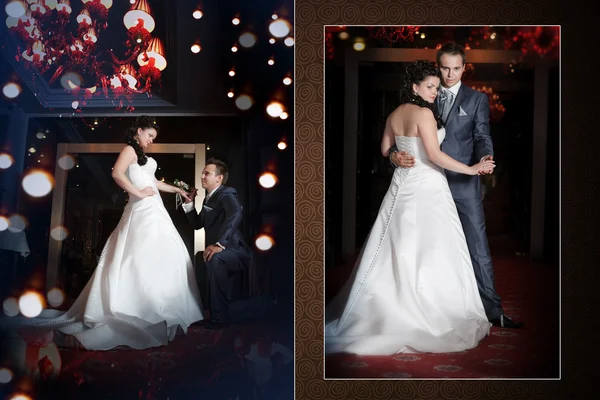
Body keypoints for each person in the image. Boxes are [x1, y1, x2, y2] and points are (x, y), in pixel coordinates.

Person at [325, 60, 496, 355]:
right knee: (433, 249)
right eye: (430, 87)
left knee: (397, 246)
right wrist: (471, 170)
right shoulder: (424, 114)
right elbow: (434, 156)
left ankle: (391, 305)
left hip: (402, 186)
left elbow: (384, 150)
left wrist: (394, 158)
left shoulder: (394, 114)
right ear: (414, 88)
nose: (434, 91)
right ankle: (423, 310)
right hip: (428, 186)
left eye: (436, 87)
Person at [0, 116, 205, 350]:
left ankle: (154, 307)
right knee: (139, 252)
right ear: (138, 131)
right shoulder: (129, 149)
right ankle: (134, 307)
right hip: (142, 206)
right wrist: (138, 193)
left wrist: (179, 190)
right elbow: (117, 174)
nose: (150, 141)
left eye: (153, 138)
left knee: (159, 252)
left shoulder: (142, 157)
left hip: (154, 206)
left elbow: (155, 182)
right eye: (149, 136)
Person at [389, 43, 523, 329]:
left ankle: (493, 310)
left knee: (478, 247)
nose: (449, 74)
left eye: (456, 68)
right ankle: (432, 309)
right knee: (427, 247)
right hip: (425, 183)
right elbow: (399, 135)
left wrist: (486, 156)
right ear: (438, 67)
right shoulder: (425, 94)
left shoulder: (477, 100)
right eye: (445, 68)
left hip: (463, 184)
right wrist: (393, 155)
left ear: (465, 68)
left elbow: (482, 136)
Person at [182, 158, 251, 328]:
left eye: (207, 173)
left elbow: (236, 213)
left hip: (235, 251)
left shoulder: (227, 193)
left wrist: (220, 244)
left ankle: (219, 318)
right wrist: (190, 204)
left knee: (214, 259)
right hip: (220, 252)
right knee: (201, 259)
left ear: (219, 178)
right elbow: (198, 225)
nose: (202, 176)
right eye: (202, 173)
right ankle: (208, 311)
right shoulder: (208, 199)